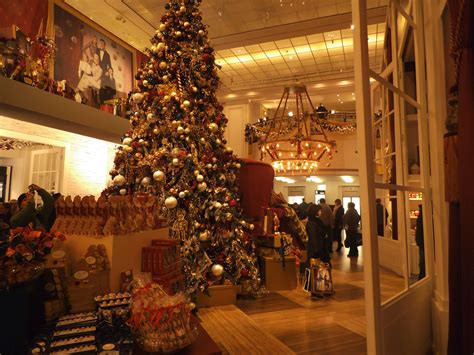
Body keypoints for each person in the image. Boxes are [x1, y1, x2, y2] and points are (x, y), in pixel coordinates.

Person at [415, 205, 425, 280]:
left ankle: (421, 277)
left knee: (422, 261)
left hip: (421, 242)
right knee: (423, 261)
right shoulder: (423, 218)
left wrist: (417, 241)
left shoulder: (420, 218)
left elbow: (418, 231)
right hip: (422, 242)